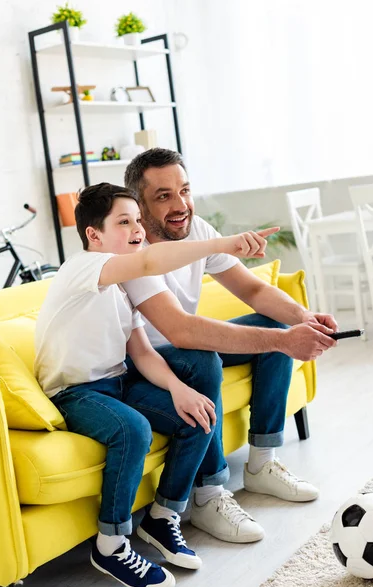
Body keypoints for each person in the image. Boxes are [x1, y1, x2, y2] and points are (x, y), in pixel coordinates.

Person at [34, 183, 270, 587]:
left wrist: (180, 390)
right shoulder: (85, 266)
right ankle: (110, 544)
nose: (137, 229)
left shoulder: (123, 287)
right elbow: (149, 261)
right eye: (124, 222)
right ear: (94, 234)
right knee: (134, 430)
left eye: (138, 221)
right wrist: (227, 243)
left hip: (119, 381)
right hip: (74, 392)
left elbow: (142, 353)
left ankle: (163, 516)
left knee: (197, 416)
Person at [122, 148, 338, 539]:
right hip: (145, 360)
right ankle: (208, 494)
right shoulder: (131, 251)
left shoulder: (196, 229)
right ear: (139, 205)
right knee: (206, 355)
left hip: (184, 347)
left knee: (272, 322)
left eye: (184, 190)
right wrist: (286, 340)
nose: (180, 204)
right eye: (164, 196)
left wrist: (304, 319)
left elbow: (253, 289)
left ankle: (261, 464)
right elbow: (181, 331)